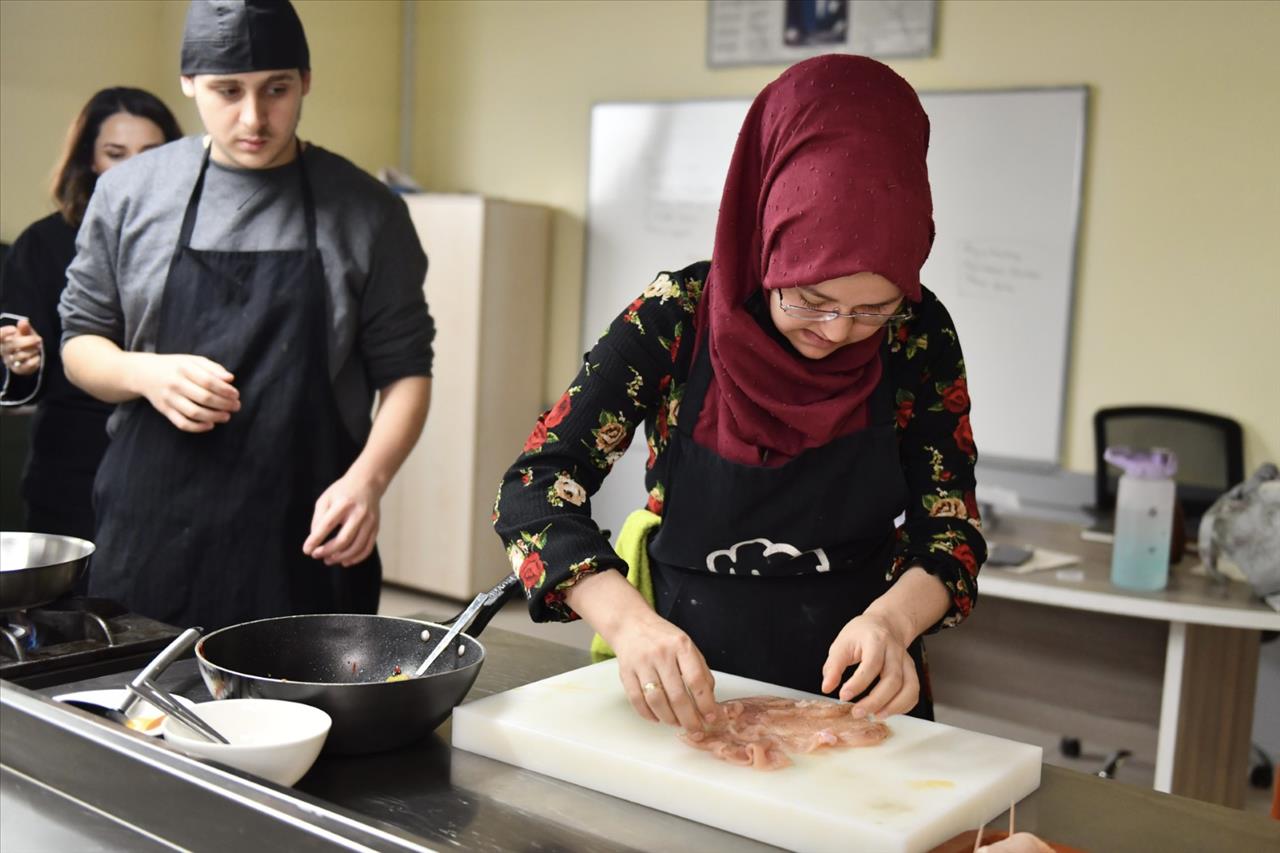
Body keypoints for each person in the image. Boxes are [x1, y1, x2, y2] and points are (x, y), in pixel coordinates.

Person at [493, 55, 986, 731]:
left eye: (874, 308)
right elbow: (535, 485)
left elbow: (951, 528)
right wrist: (631, 625)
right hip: (685, 686)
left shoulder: (918, 336)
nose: (839, 330)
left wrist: (892, 624)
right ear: (766, 240)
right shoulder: (679, 317)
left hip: (861, 693)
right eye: (811, 298)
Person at [58, 0, 435, 629]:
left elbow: (407, 372)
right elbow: (79, 343)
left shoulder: (370, 212)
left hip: (306, 531)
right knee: (146, 718)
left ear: (306, 81)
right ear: (189, 84)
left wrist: (369, 480)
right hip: (153, 530)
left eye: (277, 90)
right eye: (227, 92)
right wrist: (145, 374)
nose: (254, 117)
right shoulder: (130, 193)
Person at [0, 88, 182, 546]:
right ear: (91, 162)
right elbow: (14, 352)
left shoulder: (199, 241)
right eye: (116, 154)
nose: (135, 168)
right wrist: (21, 361)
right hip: (73, 461)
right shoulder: (44, 244)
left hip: (177, 454)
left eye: (150, 154)